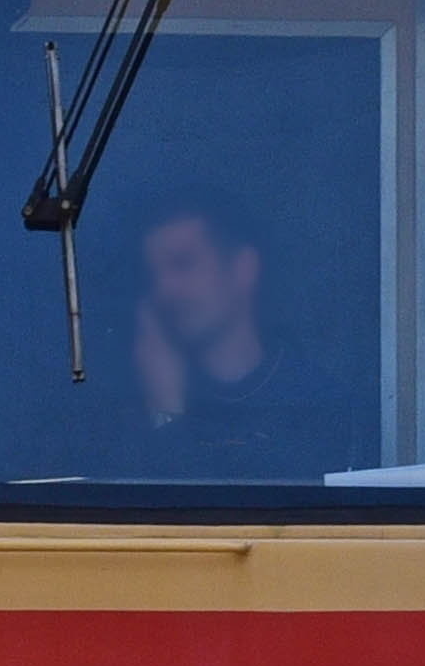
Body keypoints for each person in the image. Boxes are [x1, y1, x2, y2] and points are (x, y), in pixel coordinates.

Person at [124, 191, 372, 480]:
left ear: (243, 268)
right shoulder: (130, 406)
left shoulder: (318, 404)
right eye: (155, 275)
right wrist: (164, 405)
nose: (165, 290)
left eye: (183, 263)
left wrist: (167, 414)